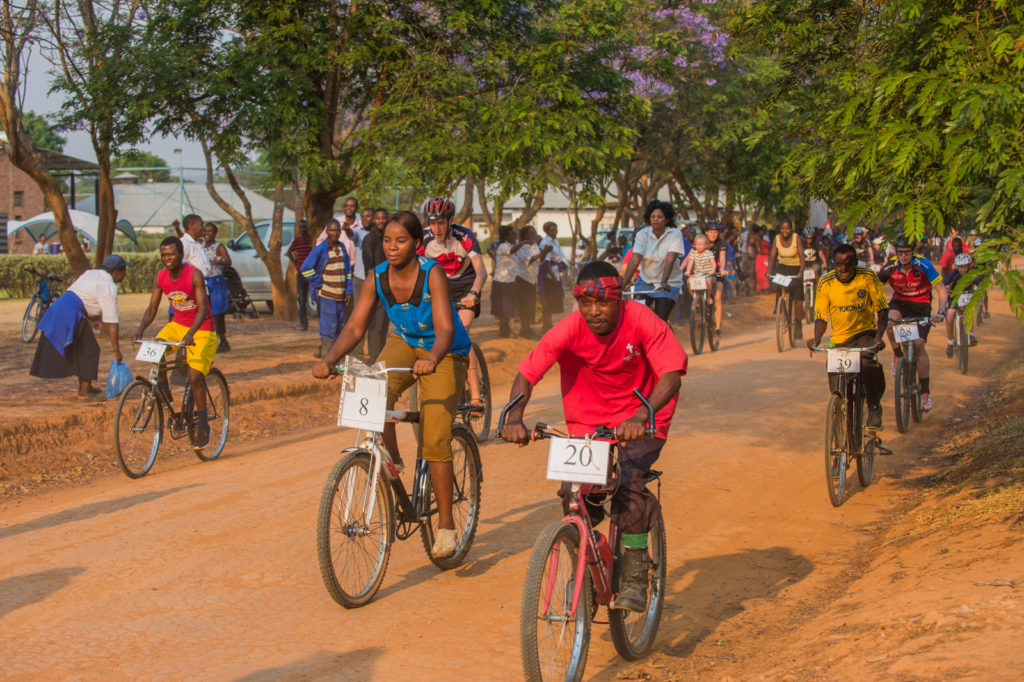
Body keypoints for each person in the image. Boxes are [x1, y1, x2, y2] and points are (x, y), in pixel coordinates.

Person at [500, 260, 687, 612]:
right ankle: (588, 561)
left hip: (643, 416)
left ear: (619, 300)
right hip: (588, 425)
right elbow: (527, 374)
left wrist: (641, 415)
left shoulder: (643, 320)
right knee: (576, 495)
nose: (594, 312)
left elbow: (671, 374)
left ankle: (633, 572)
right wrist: (514, 416)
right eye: (585, 303)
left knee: (629, 486)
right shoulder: (569, 329)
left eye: (602, 303)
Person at [312, 211, 471, 558]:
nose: (392, 247)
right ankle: (393, 459)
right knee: (374, 387)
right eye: (387, 241)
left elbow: (446, 327)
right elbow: (355, 327)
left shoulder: (433, 274)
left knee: (434, 440)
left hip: (444, 351)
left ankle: (445, 526)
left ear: (417, 244)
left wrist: (431, 359)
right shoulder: (376, 276)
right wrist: (329, 360)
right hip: (405, 341)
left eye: (400, 241)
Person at [134, 238, 216, 447]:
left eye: (170, 254)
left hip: (202, 328)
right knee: (155, 349)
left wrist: (191, 332)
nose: (166, 259)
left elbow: (203, 308)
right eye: (163, 254)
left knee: (194, 376)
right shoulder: (160, 277)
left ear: (181, 255)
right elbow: (152, 309)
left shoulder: (194, 275)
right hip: (176, 325)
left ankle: (204, 424)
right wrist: (140, 329)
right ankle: (164, 394)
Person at [806, 244, 889, 428]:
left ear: (856, 263)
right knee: (836, 387)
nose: (843, 268)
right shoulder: (825, 282)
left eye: (848, 263)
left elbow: (883, 309)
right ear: (833, 264)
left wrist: (878, 337)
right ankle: (840, 417)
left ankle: (874, 406)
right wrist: (817, 338)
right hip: (839, 340)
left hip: (865, 334)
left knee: (868, 363)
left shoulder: (867, 277)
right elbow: (821, 316)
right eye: (838, 264)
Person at [30, 254, 129, 400]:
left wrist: (93, 316)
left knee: (81, 348)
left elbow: (82, 296)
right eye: (123, 270)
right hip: (71, 312)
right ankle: (85, 392)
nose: (125, 274)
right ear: (115, 271)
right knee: (90, 349)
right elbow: (112, 323)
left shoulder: (92, 273)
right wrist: (117, 351)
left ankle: (86, 387)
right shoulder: (108, 286)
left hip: (61, 306)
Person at [418, 197, 487, 404]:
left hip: (466, 287)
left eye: (440, 222)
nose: (436, 228)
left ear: (450, 221)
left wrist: (474, 293)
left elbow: (481, 270)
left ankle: (475, 394)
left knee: (462, 330)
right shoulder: (423, 239)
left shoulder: (464, 236)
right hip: (440, 289)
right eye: (432, 223)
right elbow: (414, 269)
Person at [877, 234, 947, 411]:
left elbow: (941, 290)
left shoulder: (923, 264)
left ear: (913, 251)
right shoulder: (891, 266)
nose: (903, 256)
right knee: (889, 322)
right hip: (899, 303)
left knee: (918, 345)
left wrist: (940, 312)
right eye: (900, 253)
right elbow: (874, 286)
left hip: (921, 306)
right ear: (896, 252)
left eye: (907, 252)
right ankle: (897, 355)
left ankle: (925, 393)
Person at [622, 200, 685, 321]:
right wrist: (624, 283)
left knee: (660, 320)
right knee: (638, 317)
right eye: (653, 217)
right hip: (646, 281)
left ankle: (663, 336)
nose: (656, 219)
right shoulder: (642, 234)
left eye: (660, 217)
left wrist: (664, 282)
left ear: (666, 220)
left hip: (668, 283)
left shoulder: (675, 234)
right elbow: (635, 259)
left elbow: (670, 259)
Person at [302, 219, 354, 359]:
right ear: (327, 232)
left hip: (341, 296)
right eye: (332, 230)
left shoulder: (342, 247)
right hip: (327, 296)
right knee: (328, 328)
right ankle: (327, 359)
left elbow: (347, 270)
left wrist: (348, 290)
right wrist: (319, 282)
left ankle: (337, 359)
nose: (335, 233)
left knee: (339, 327)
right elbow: (305, 268)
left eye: (337, 230)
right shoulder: (320, 249)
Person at [360, 208, 391, 360]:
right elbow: (369, 269)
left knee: (383, 326)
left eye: (383, 218)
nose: (380, 220)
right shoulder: (369, 239)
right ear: (373, 220)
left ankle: (381, 357)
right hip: (377, 287)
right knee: (376, 326)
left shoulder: (388, 239)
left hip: (390, 288)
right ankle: (375, 359)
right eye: (377, 218)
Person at [769, 219, 807, 339]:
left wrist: (801, 271)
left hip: (795, 268)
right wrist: (769, 271)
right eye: (783, 228)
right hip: (783, 267)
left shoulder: (796, 238)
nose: (785, 231)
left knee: (797, 297)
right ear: (780, 230)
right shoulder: (776, 239)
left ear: (791, 229)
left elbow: (802, 256)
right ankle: (779, 303)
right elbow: (772, 256)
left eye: (787, 228)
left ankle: (798, 323)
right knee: (777, 281)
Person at [943, 252, 984, 356]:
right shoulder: (954, 273)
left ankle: (970, 334)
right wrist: (946, 289)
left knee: (970, 313)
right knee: (950, 316)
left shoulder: (972, 273)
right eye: (960, 266)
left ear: (968, 266)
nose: (963, 269)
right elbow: (945, 282)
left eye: (965, 266)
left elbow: (980, 281)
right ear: (957, 266)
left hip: (967, 298)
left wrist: (978, 287)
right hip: (954, 299)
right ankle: (950, 342)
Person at [202, 222, 232, 352]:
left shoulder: (218, 246)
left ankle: (220, 340)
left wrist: (217, 260)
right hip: (205, 281)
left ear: (215, 233)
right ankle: (219, 340)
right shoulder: (201, 246)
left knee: (217, 313)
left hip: (216, 281)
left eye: (210, 231)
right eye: (205, 231)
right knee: (207, 312)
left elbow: (228, 262)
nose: (207, 234)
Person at [512, 225, 542, 338]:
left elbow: (539, 260)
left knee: (530, 305)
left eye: (534, 233)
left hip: (532, 279)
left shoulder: (534, 246)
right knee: (524, 305)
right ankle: (523, 329)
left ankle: (528, 327)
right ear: (524, 235)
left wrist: (542, 253)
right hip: (523, 279)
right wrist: (544, 252)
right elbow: (529, 260)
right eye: (531, 233)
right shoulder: (521, 247)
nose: (534, 235)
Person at [538, 221, 568, 331]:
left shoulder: (555, 241)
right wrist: (553, 277)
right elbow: (546, 262)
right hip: (549, 276)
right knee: (548, 300)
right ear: (546, 231)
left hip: (555, 273)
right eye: (552, 230)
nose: (555, 232)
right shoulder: (546, 243)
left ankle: (549, 324)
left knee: (552, 301)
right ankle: (545, 325)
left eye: (556, 230)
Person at [490, 225, 518, 338]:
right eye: (513, 234)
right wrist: (524, 243)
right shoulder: (503, 246)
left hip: (510, 280)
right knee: (502, 306)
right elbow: (511, 251)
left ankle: (506, 328)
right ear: (507, 236)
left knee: (508, 306)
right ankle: (503, 329)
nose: (516, 236)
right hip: (502, 280)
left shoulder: (512, 246)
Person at [703, 221, 728, 342]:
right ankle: (698, 309)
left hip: (717, 273)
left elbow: (722, 257)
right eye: (711, 232)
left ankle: (717, 328)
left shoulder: (721, 244)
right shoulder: (702, 243)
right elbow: (691, 256)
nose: (713, 235)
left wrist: (722, 269)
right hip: (702, 273)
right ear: (706, 233)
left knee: (718, 297)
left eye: (715, 232)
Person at [287, 219, 314, 331]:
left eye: (304, 227)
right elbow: (289, 252)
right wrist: (295, 263)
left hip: (312, 273)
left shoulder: (311, 239)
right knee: (302, 299)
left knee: (315, 297)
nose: (302, 229)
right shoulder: (297, 241)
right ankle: (303, 322)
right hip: (301, 273)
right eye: (300, 227)